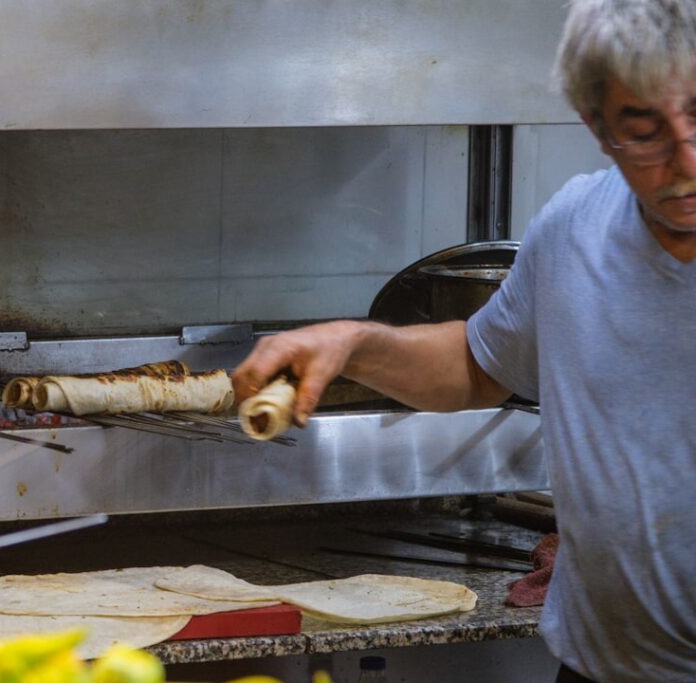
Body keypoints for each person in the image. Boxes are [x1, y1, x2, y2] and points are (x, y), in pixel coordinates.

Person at [230, 1, 696, 681]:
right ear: (600, 129)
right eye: (646, 129)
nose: (686, 155)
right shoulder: (574, 229)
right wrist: (352, 343)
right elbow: (478, 364)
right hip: (602, 667)